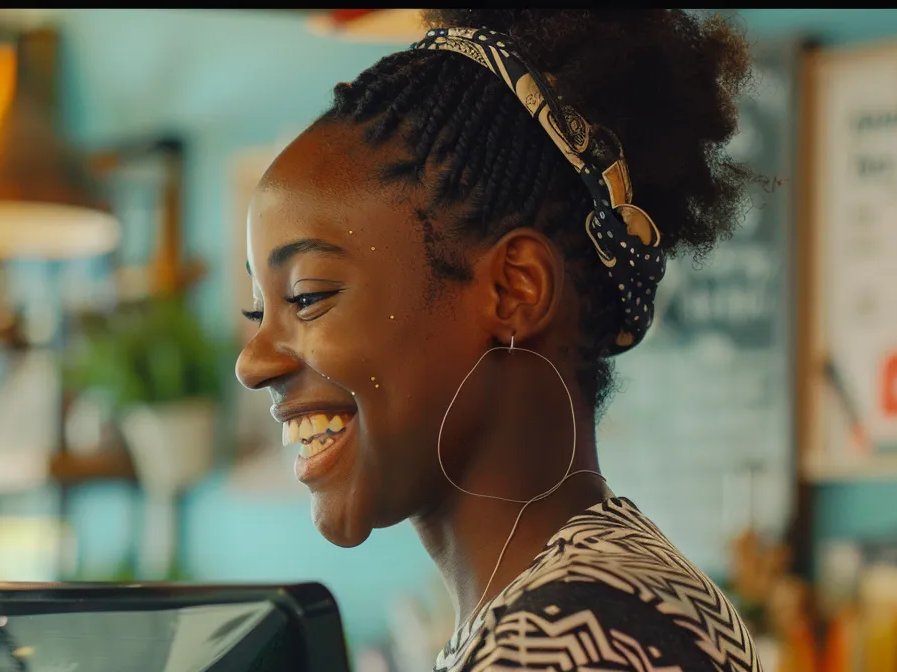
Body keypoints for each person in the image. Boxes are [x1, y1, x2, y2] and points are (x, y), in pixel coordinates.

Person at [236, 9, 762, 672]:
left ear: (516, 289)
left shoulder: (559, 640)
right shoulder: (614, 598)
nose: (253, 362)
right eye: (259, 312)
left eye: (307, 297)